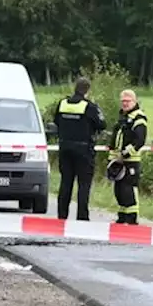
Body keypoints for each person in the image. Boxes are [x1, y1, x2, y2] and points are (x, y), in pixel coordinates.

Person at [53, 77, 105, 221]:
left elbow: (56, 121)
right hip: (83, 150)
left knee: (65, 183)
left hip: (65, 148)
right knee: (83, 184)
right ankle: (82, 217)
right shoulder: (89, 106)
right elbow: (102, 124)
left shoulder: (62, 104)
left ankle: (62, 216)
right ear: (87, 90)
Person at [110, 89, 148, 225]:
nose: (125, 104)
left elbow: (140, 140)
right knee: (119, 190)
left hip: (131, 161)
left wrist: (125, 153)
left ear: (134, 101)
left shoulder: (139, 118)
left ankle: (132, 218)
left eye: (128, 101)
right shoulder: (122, 117)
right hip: (118, 161)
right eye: (123, 101)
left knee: (129, 190)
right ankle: (122, 217)